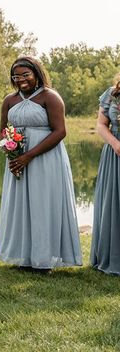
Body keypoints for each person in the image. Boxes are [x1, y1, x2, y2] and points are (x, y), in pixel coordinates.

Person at [0, 56, 82, 270]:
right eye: (16, 76)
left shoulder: (50, 97)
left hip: (45, 158)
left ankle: (44, 260)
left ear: (36, 74)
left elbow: (60, 131)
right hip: (17, 159)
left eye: (26, 75)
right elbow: (2, 130)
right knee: (21, 207)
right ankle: (25, 258)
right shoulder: (9, 100)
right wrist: (11, 150)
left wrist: (30, 155)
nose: (21, 80)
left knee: (43, 205)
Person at [90, 74, 120, 275]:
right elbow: (101, 125)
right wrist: (115, 143)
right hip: (115, 154)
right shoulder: (112, 93)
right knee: (113, 204)